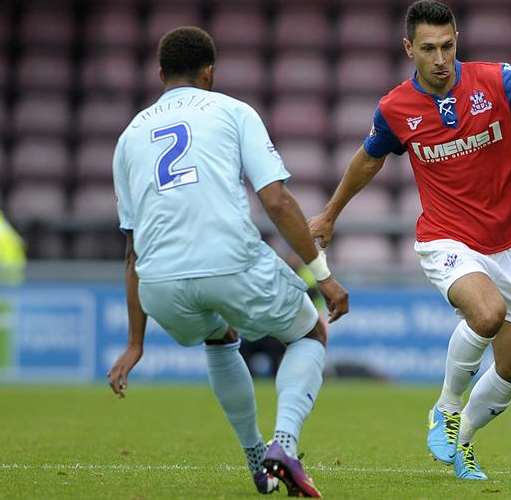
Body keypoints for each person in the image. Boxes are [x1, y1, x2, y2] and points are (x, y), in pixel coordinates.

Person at [309, 0, 511, 481]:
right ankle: (446, 409)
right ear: (409, 48)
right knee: (486, 313)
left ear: (457, 40)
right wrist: (330, 213)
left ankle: (462, 439)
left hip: (508, 245)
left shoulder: (497, 80)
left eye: (448, 46)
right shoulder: (394, 108)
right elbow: (369, 158)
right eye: (428, 49)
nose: (441, 58)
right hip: (444, 238)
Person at [106, 27, 349, 497]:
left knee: (220, 338)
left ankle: (255, 457)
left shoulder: (128, 137)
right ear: (210, 73)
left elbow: (131, 249)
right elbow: (276, 201)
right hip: (228, 261)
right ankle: (284, 445)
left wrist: (135, 343)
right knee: (310, 332)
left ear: (160, 75)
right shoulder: (234, 111)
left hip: (159, 282)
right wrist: (324, 276)